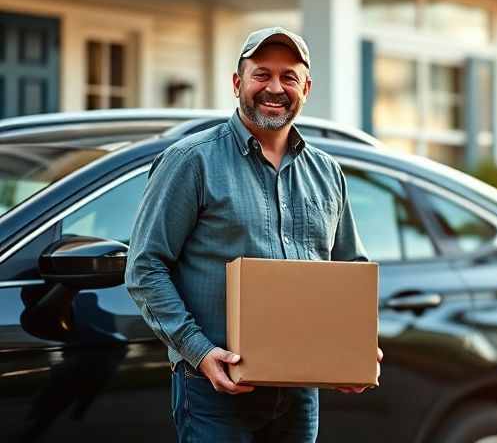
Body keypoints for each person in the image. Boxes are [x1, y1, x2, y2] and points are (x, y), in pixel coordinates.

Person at [125, 27, 382, 443]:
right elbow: (145, 267)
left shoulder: (327, 174)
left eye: (289, 77)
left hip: (300, 393)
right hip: (215, 389)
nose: (275, 88)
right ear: (237, 82)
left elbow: (350, 269)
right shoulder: (191, 161)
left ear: (307, 88)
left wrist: (354, 349)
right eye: (262, 74)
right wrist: (199, 352)